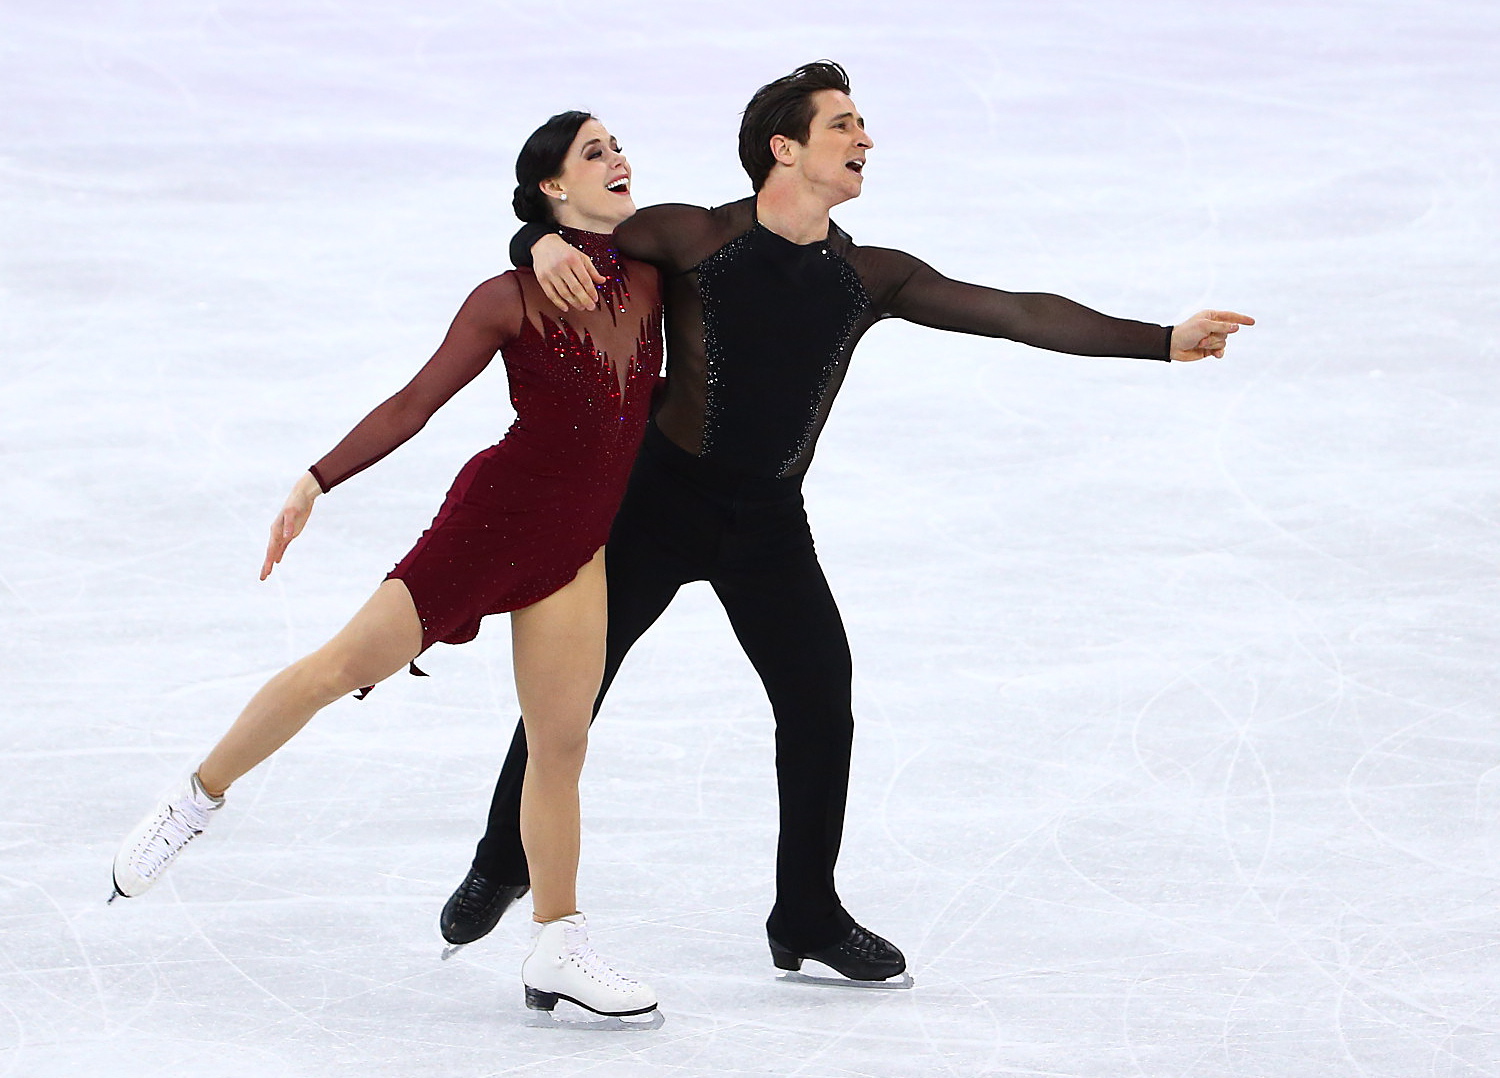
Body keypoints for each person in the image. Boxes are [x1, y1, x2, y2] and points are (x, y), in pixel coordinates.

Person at [441, 61, 1254, 986]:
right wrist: (530, 242)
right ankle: (500, 863)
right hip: (656, 506)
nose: (865, 140)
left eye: (862, 126)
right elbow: (574, 229)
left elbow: (1012, 314)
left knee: (821, 699)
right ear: (784, 149)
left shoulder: (868, 274)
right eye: (845, 125)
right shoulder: (693, 236)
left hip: (767, 526)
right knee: (569, 694)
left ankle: (806, 911)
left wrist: (1161, 338)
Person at [110, 112, 666, 1022]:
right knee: (340, 667)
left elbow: (723, 240)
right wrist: (316, 479)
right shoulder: (508, 296)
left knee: (561, 745)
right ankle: (194, 799)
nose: (619, 159)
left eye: (617, 146)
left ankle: (559, 941)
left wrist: (538, 236)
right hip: (497, 519)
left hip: (576, 545)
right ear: (554, 186)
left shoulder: (651, 273)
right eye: (594, 153)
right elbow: (415, 402)